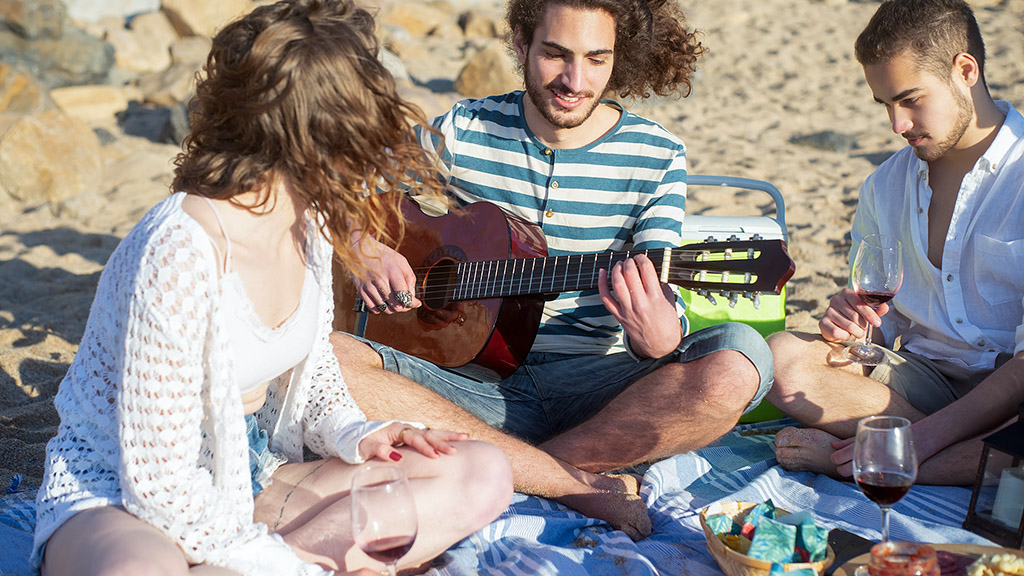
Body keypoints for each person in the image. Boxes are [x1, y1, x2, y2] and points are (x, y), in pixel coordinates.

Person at [30, 1, 513, 575]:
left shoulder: (308, 224)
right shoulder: (180, 248)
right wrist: (285, 562)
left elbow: (312, 374)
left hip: (248, 476)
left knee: (481, 471)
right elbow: (156, 484)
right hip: (124, 495)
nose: (379, 149)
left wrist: (362, 433)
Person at [330, 0, 774, 540]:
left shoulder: (656, 153)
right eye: (555, 54)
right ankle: (568, 479)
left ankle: (525, 468)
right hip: (462, 386)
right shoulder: (463, 129)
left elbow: (664, 302)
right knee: (329, 358)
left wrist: (659, 335)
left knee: (740, 360)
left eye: (596, 59)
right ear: (520, 43)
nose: (574, 80)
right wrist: (363, 244)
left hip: (597, 395)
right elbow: (341, 188)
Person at [766, 0, 1024, 485]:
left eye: (909, 99)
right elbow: (884, 329)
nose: (896, 124)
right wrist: (857, 330)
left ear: (965, 70)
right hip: (918, 385)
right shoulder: (883, 186)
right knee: (782, 358)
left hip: (1013, 391)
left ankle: (888, 458)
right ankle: (956, 461)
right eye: (885, 104)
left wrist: (923, 440)